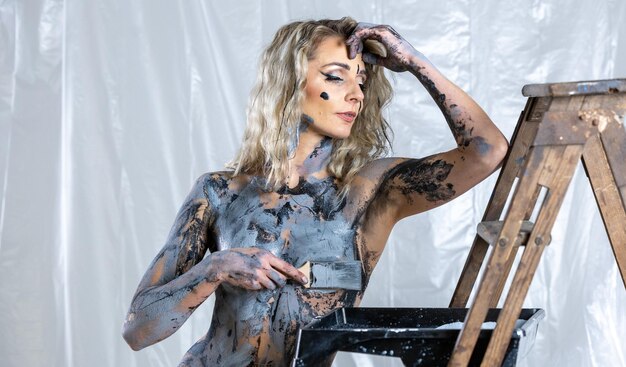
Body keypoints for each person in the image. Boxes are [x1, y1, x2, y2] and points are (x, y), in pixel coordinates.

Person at [122, 17, 508, 367]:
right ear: (290, 82)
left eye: (361, 80)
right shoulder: (219, 192)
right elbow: (139, 332)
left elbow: (487, 151)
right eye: (336, 77)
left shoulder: (373, 192)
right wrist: (216, 267)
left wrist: (413, 61)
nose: (356, 93)